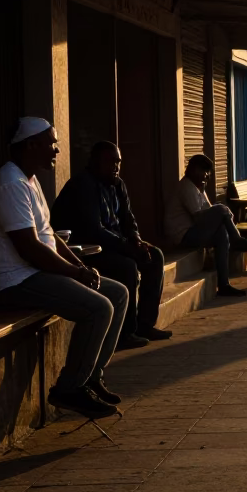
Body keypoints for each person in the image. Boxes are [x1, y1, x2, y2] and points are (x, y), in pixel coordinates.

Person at [0, 117, 129, 420]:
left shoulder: (29, 181)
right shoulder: (10, 184)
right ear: (31, 145)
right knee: (98, 308)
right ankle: (69, 388)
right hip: (13, 281)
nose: (57, 150)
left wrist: (81, 266)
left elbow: (50, 236)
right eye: (52, 143)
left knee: (117, 293)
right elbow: (30, 248)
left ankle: (91, 377)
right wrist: (76, 274)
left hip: (33, 274)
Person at [52, 141, 170, 350]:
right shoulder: (83, 185)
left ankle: (145, 325)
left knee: (155, 256)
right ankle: (125, 333)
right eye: (110, 161)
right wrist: (127, 246)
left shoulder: (118, 184)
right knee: (126, 267)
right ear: (94, 162)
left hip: (114, 244)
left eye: (118, 162)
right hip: (85, 251)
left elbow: (128, 218)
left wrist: (135, 239)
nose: (115, 166)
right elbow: (93, 230)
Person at [164, 154, 247, 297]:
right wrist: (221, 211)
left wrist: (208, 198)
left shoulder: (197, 187)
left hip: (194, 232)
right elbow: (199, 217)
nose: (207, 175)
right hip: (183, 236)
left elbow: (209, 211)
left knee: (221, 233)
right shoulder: (186, 187)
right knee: (221, 209)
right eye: (205, 171)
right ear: (194, 170)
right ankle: (236, 240)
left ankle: (224, 285)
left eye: (208, 172)